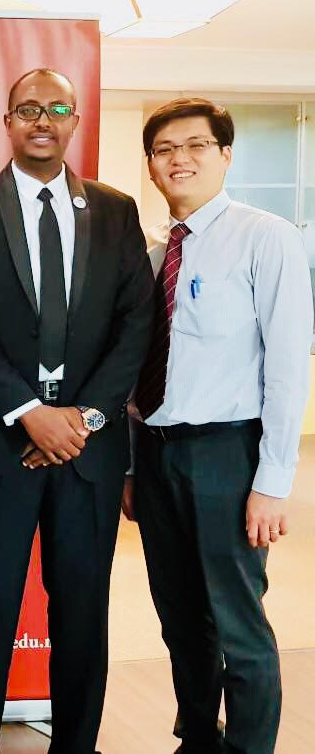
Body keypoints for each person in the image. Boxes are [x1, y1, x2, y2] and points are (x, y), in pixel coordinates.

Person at [0, 68, 155, 753]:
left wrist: (81, 419)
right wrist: (29, 411)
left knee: (83, 615)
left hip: (88, 452)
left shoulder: (115, 210)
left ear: (74, 121)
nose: (42, 120)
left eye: (57, 108)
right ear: (7, 122)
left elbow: (136, 323)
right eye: (28, 108)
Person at [126, 98, 312, 754]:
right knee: (180, 618)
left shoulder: (266, 237)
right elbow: (133, 372)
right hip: (155, 455)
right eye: (164, 149)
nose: (179, 158)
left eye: (196, 145)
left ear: (225, 154)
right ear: (151, 165)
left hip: (228, 454)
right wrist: (131, 467)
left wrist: (272, 482)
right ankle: (200, 736)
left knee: (238, 621)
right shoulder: (151, 254)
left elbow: (287, 368)